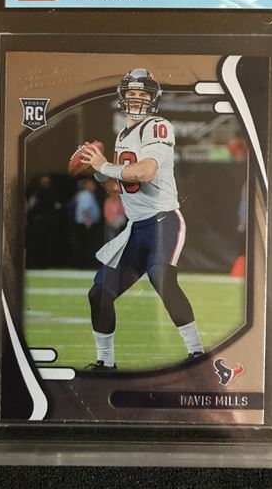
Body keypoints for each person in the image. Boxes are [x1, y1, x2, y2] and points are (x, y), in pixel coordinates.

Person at [80, 68, 203, 370]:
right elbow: (120, 187)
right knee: (99, 294)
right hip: (135, 228)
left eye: (143, 94)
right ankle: (106, 363)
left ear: (153, 99)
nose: (136, 99)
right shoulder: (122, 135)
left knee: (162, 278)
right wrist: (98, 172)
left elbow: (145, 173)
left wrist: (104, 165)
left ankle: (197, 354)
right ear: (123, 97)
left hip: (163, 221)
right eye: (132, 94)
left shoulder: (157, 126)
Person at [73, 179, 102, 269]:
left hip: (86, 223)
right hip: (86, 224)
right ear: (86, 185)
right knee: (87, 245)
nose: (94, 185)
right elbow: (84, 209)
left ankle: (84, 264)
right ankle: (85, 265)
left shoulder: (87, 194)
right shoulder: (86, 195)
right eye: (91, 184)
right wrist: (87, 221)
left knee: (86, 245)